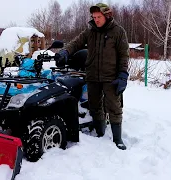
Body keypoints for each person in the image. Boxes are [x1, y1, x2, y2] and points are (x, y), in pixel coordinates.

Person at [55, 3, 129, 150]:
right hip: (93, 76)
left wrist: (122, 75)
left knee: (113, 107)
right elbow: (76, 43)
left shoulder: (118, 32)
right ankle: (100, 132)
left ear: (107, 16)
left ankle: (117, 138)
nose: (96, 20)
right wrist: (64, 52)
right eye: (94, 17)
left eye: (98, 17)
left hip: (111, 77)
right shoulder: (90, 31)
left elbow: (123, 55)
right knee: (95, 106)